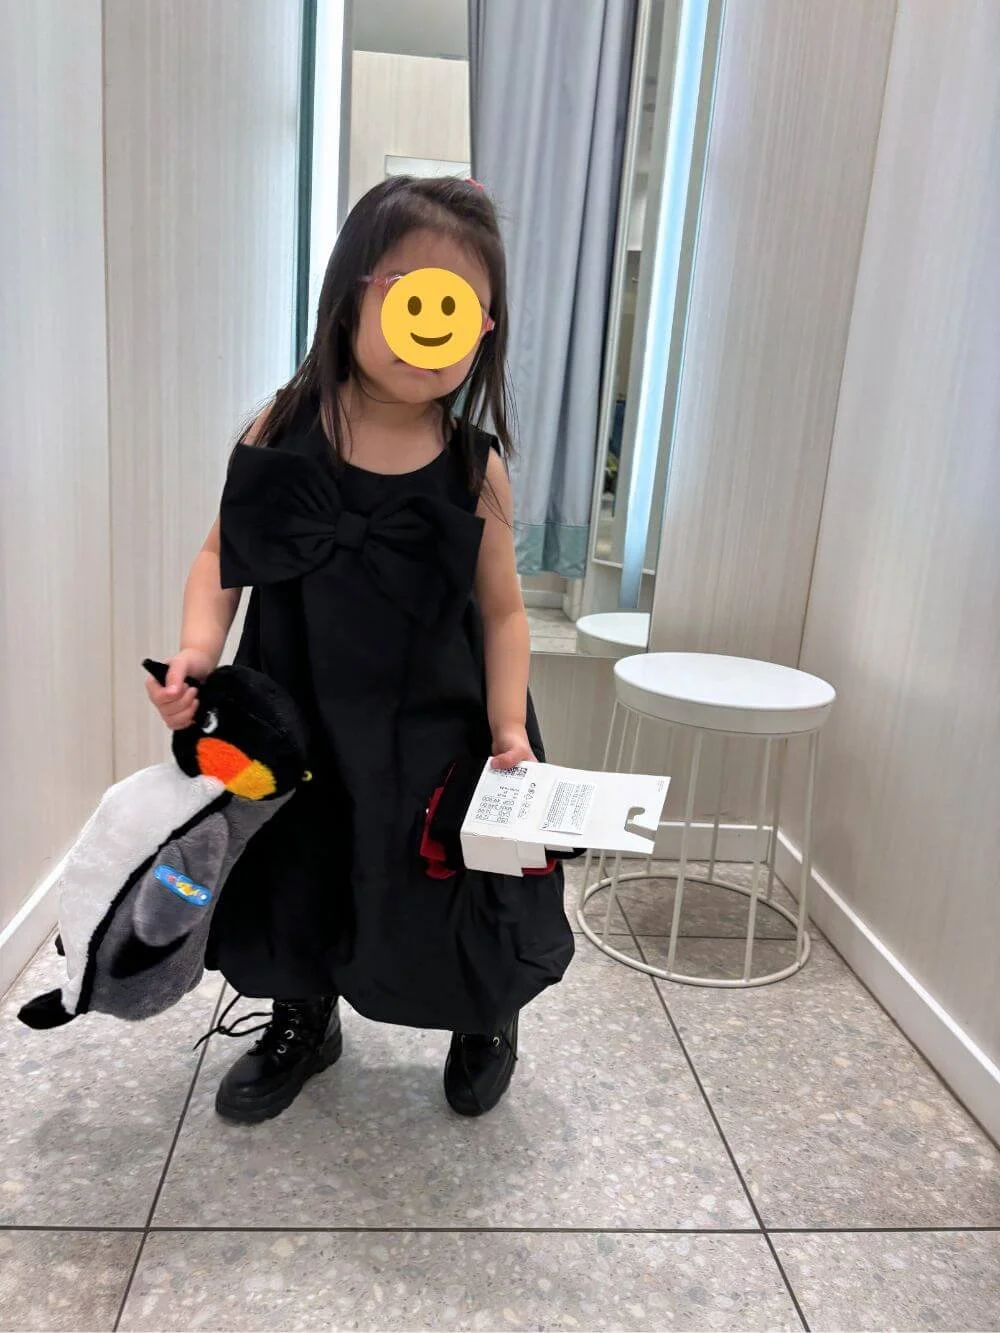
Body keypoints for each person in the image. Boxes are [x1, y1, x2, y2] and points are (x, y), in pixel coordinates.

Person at [147, 176, 574, 1126]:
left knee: (450, 877)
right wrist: (196, 653)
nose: (434, 330)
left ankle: (484, 1013)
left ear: (484, 328)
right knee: (303, 864)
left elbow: (504, 612)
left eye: (458, 309)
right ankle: (304, 1015)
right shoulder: (283, 428)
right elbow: (220, 556)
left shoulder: (474, 465)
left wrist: (509, 723)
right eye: (413, 296)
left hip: (438, 723)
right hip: (305, 707)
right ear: (353, 295)